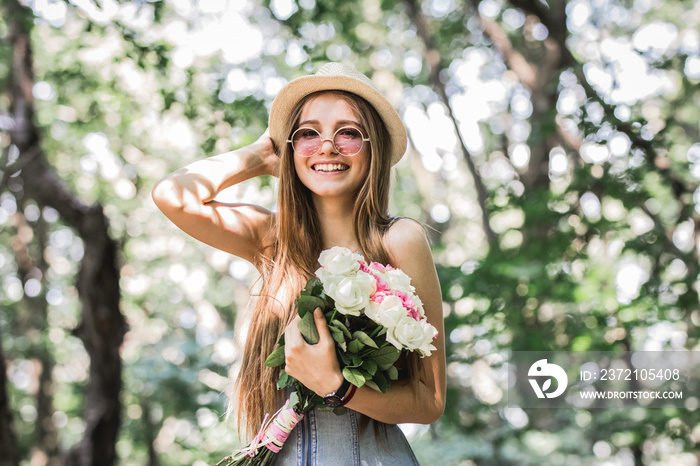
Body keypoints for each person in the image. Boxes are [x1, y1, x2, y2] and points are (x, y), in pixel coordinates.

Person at [152, 62, 445, 464]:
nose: (327, 146)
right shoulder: (272, 241)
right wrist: (259, 154)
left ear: (373, 147)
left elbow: (428, 399)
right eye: (308, 134)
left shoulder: (399, 240)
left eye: (348, 133)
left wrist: (338, 387)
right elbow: (172, 194)